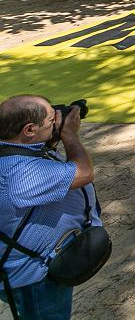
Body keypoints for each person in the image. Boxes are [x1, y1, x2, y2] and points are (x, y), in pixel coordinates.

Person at [0, 95, 98, 320]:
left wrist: (50, 136)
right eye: (50, 120)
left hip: (30, 269)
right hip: (35, 280)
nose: (56, 121)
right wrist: (69, 134)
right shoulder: (18, 174)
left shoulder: (10, 148)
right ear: (29, 130)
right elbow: (84, 172)